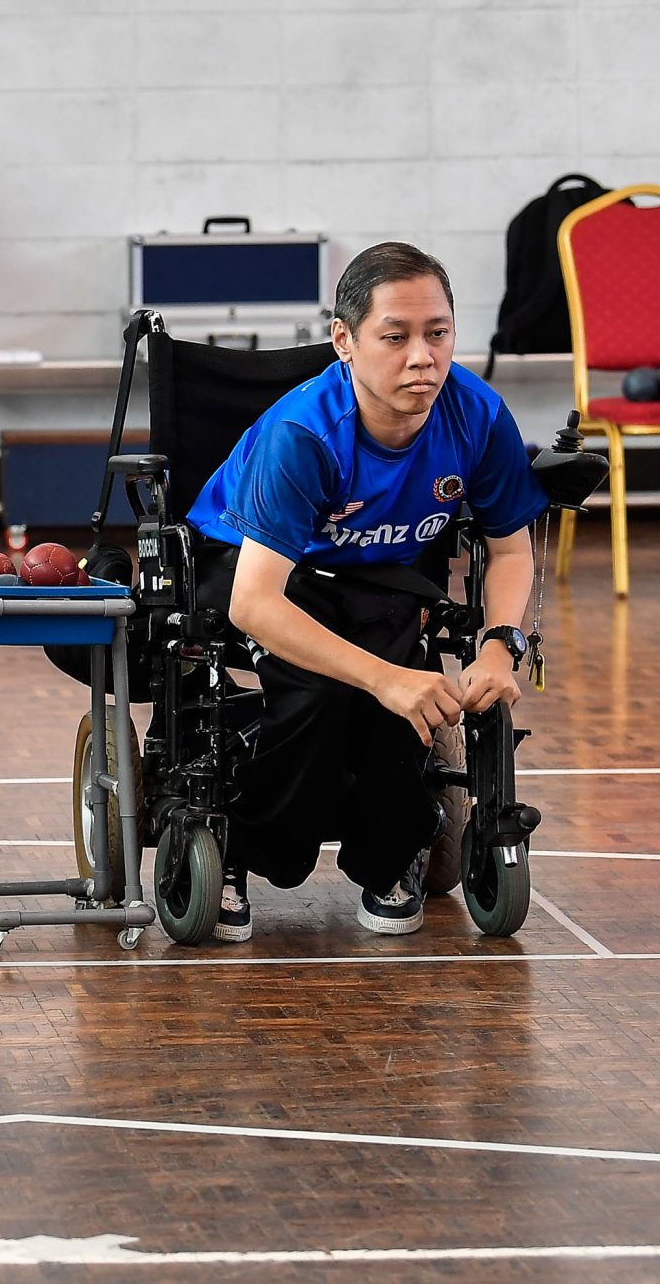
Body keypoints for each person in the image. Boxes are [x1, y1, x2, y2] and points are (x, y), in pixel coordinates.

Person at [189, 243, 546, 942]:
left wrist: (502, 645)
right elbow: (253, 602)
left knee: (407, 699)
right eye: (396, 336)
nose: (423, 356)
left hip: (374, 574)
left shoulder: (477, 414)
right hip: (259, 566)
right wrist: (382, 678)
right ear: (344, 340)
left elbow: (509, 547)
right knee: (325, 694)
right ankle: (248, 845)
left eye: (438, 332)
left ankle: (392, 857)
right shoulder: (305, 434)